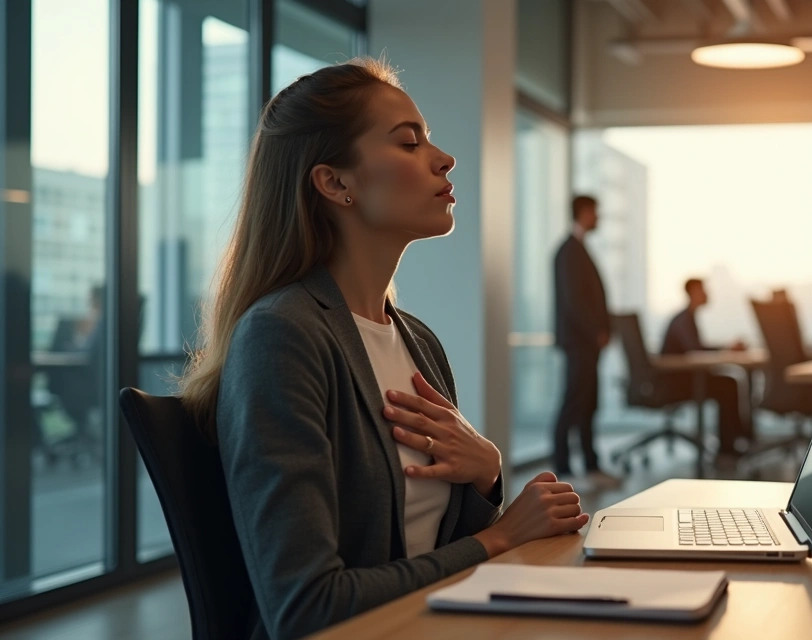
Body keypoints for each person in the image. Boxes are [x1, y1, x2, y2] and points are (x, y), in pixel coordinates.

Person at [177, 59, 586, 640]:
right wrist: (498, 537)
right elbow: (307, 608)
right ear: (335, 183)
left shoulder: (418, 341)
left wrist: (486, 475)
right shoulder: (282, 335)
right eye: (409, 142)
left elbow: (436, 550)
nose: (444, 158)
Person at [551, 196, 620, 488]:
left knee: (588, 404)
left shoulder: (579, 249)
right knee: (573, 404)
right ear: (583, 212)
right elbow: (574, 301)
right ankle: (563, 470)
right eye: (595, 212)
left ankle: (591, 466)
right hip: (579, 343)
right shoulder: (568, 252)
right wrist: (595, 331)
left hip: (587, 344)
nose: (598, 217)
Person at [660, 278, 751, 463]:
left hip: (683, 379)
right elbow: (695, 350)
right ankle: (730, 445)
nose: (707, 294)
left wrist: (726, 348)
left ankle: (737, 439)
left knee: (728, 382)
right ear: (693, 292)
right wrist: (726, 349)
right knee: (727, 385)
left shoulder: (687, 318)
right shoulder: (683, 320)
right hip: (677, 384)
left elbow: (697, 348)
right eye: (703, 290)